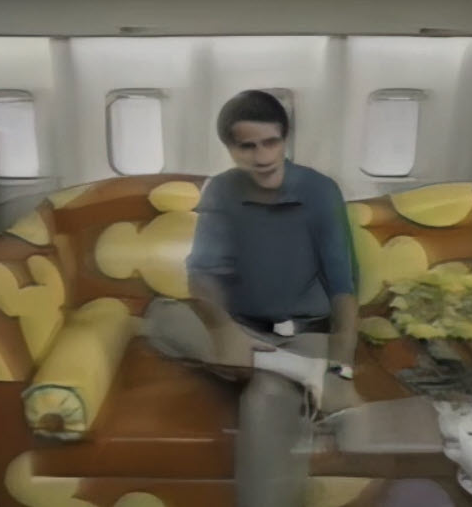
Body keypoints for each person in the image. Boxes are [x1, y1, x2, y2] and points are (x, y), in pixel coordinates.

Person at [146, 89, 359, 507]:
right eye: (247, 147)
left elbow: (344, 288)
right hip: (241, 332)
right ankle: (299, 372)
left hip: (306, 334)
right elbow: (202, 274)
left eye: (270, 142)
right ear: (231, 149)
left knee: (265, 396)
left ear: (285, 139)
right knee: (161, 316)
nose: (262, 157)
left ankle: (294, 369)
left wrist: (342, 370)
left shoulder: (320, 191)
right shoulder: (222, 191)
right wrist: (223, 329)